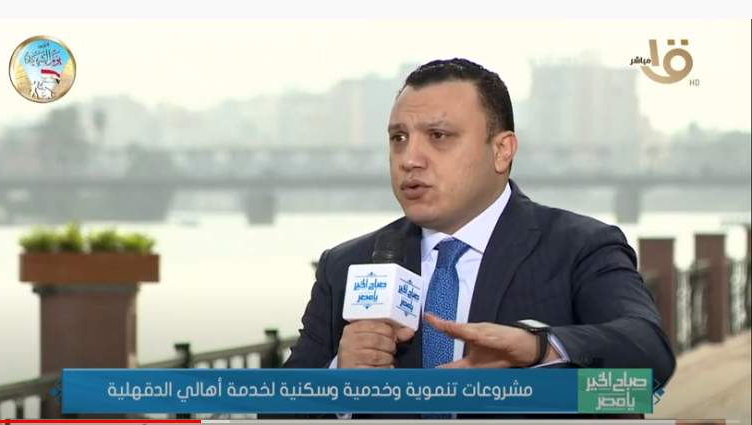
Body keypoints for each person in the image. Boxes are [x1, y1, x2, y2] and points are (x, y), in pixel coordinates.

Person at [258, 58, 676, 420]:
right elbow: (273, 413)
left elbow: (649, 355)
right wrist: (335, 382)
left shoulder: (579, 246)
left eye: (438, 136)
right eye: (399, 138)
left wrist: (540, 349)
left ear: (502, 150)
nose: (409, 159)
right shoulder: (347, 265)